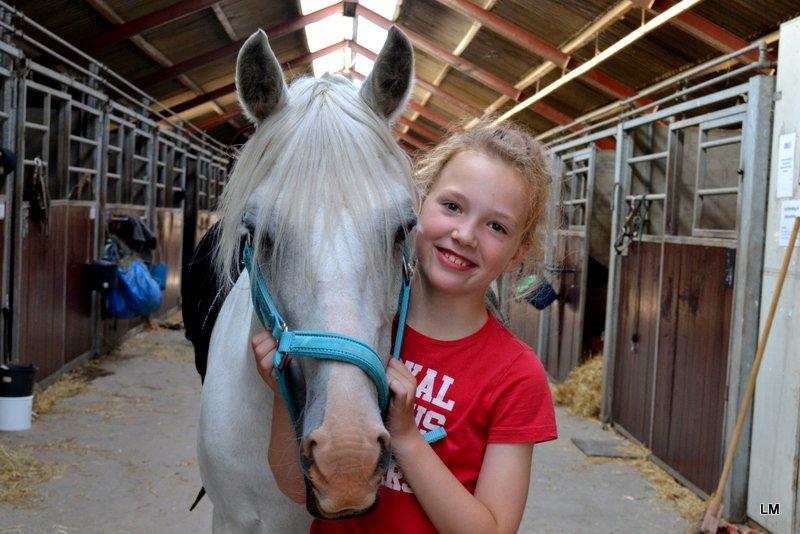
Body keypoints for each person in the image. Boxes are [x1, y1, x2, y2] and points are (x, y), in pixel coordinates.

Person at [252, 118, 558, 533]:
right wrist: (280, 392)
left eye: (496, 227)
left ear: (519, 253)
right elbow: (294, 488)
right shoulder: (352, 333)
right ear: (418, 204)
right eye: (452, 206)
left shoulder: (517, 375)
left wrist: (408, 438)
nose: (465, 234)